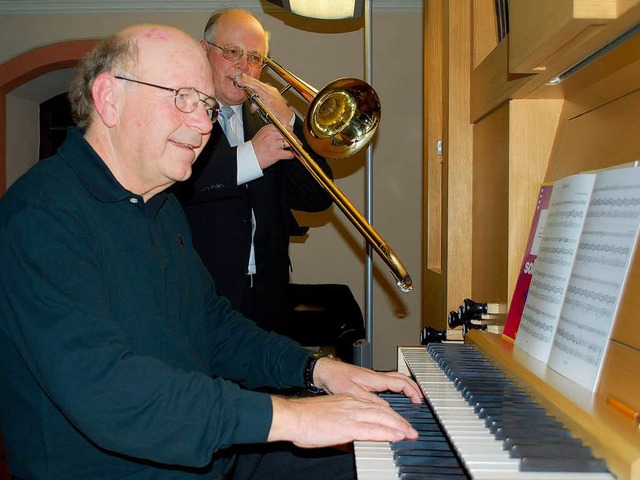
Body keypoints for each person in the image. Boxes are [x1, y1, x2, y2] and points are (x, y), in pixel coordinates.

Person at [0, 24, 423, 480]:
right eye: (182, 96)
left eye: (206, 104)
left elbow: (211, 326)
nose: (204, 123)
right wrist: (293, 419)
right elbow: (110, 393)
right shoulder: (40, 215)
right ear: (108, 98)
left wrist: (316, 371)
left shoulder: (159, 206)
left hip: (206, 451)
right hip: (123, 468)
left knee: (402, 463)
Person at [172, 9, 336, 335]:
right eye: (233, 52)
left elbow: (318, 197)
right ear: (203, 51)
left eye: (255, 58)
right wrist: (252, 156)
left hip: (267, 298)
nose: (243, 67)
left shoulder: (266, 122)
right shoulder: (177, 112)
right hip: (200, 297)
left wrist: (290, 122)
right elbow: (181, 185)